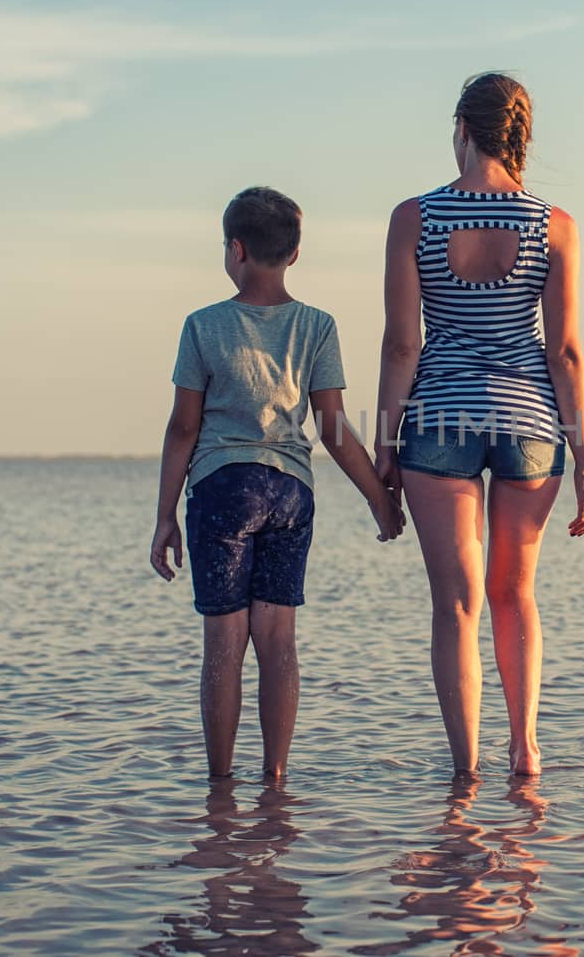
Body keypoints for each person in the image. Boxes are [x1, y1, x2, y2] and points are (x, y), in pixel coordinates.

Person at [374, 73, 584, 778]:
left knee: (457, 606)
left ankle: (466, 770)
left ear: (462, 131)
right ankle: (525, 749)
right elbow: (564, 351)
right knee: (515, 594)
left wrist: (385, 443)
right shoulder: (554, 225)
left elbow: (401, 344)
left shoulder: (415, 218)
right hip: (531, 422)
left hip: (440, 414)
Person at [151, 186, 404, 782]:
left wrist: (165, 516)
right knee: (278, 643)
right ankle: (276, 780)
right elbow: (336, 430)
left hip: (222, 490)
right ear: (294, 254)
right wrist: (380, 502)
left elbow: (184, 427)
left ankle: (220, 789)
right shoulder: (316, 326)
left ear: (235, 249)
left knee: (224, 645)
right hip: (291, 492)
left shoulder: (203, 326)